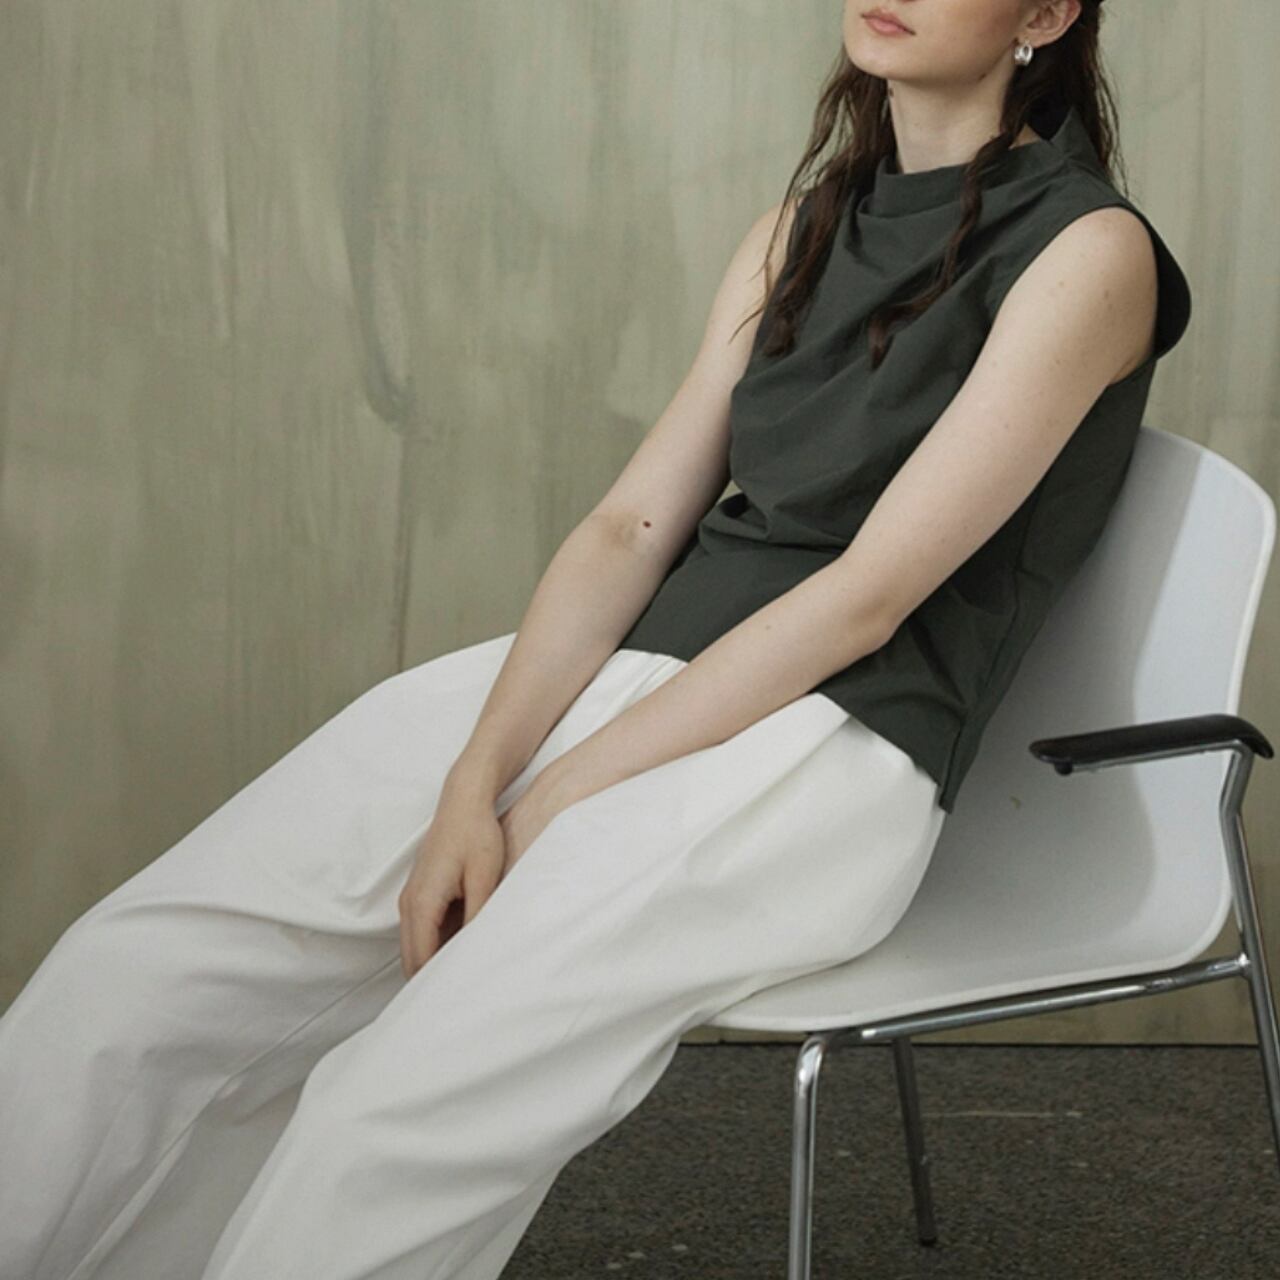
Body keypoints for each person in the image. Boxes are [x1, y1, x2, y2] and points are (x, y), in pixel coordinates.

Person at [0, 2, 1191, 1277]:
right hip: (643, 680)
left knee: (397, 1103)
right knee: (142, 969)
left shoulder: (1087, 250)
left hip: (827, 739)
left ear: (1044, 13)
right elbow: (629, 527)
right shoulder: (796, 228)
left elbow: (866, 598)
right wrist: (474, 784)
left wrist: (549, 801)